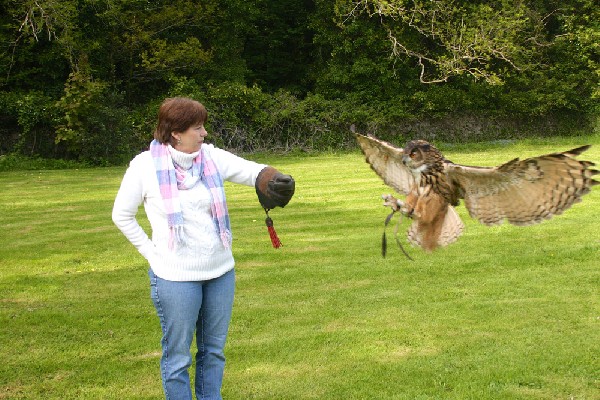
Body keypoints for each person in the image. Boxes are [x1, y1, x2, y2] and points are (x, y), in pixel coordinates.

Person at [112, 97, 295, 400]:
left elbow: (252, 171)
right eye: (197, 128)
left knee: (213, 352)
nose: (204, 133)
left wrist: (274, 178)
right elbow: (122, 215)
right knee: (178, 358)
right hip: (175, 279)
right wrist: (152, 253)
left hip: (220, 273)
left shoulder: (210, 157)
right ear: (175, 133)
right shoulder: (144, 166)